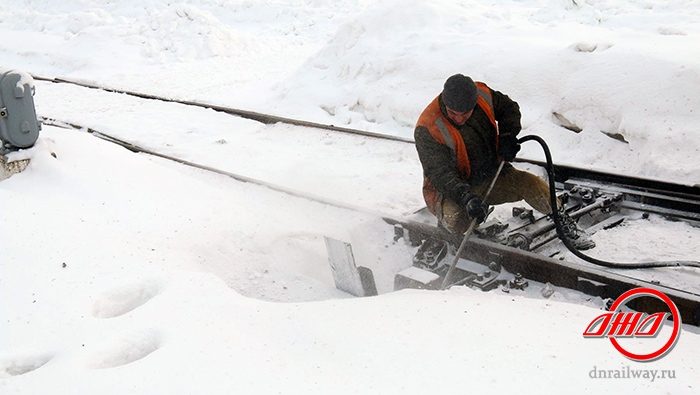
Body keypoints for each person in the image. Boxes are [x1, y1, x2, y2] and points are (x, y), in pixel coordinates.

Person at [414, 74, 595, 250]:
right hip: (452, 190)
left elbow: (509, 108)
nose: (459, 118)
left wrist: (508, 136)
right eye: (453, 113)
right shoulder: (428, 127)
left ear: (474, 104)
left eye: (466, 113)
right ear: (445, 102)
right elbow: (440, 174)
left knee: (531, 183)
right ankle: (452, 219)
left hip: (491, 175)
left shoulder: (482, 95)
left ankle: (562, 219)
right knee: (456, 221)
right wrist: (466, 197)